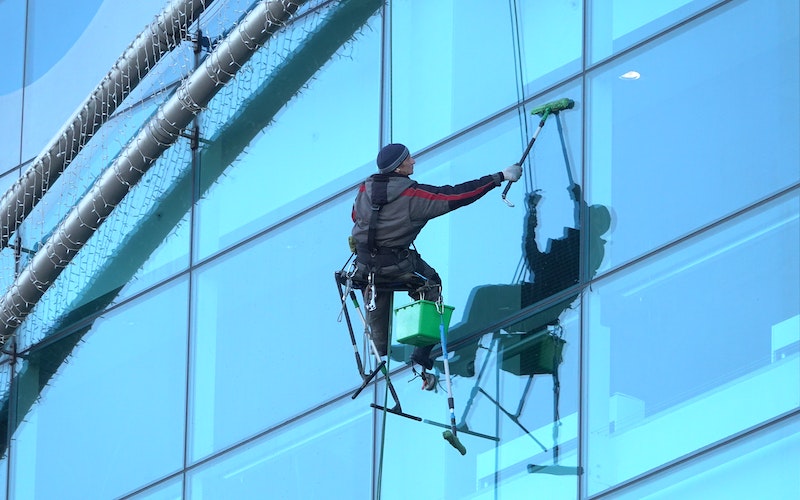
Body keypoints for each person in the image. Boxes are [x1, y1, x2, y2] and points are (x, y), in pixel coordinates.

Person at [350, 143, 522, 389]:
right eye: (409, 158)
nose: (414, 161)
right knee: (430, 284)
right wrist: (499, 177)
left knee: (376, 289)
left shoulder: (364, 189)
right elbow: (455, 196)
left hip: (365, 265)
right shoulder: (411, 196)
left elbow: (356, 217)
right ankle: (422, 352)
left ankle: (379, 353)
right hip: (395, 262)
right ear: (399, 167)